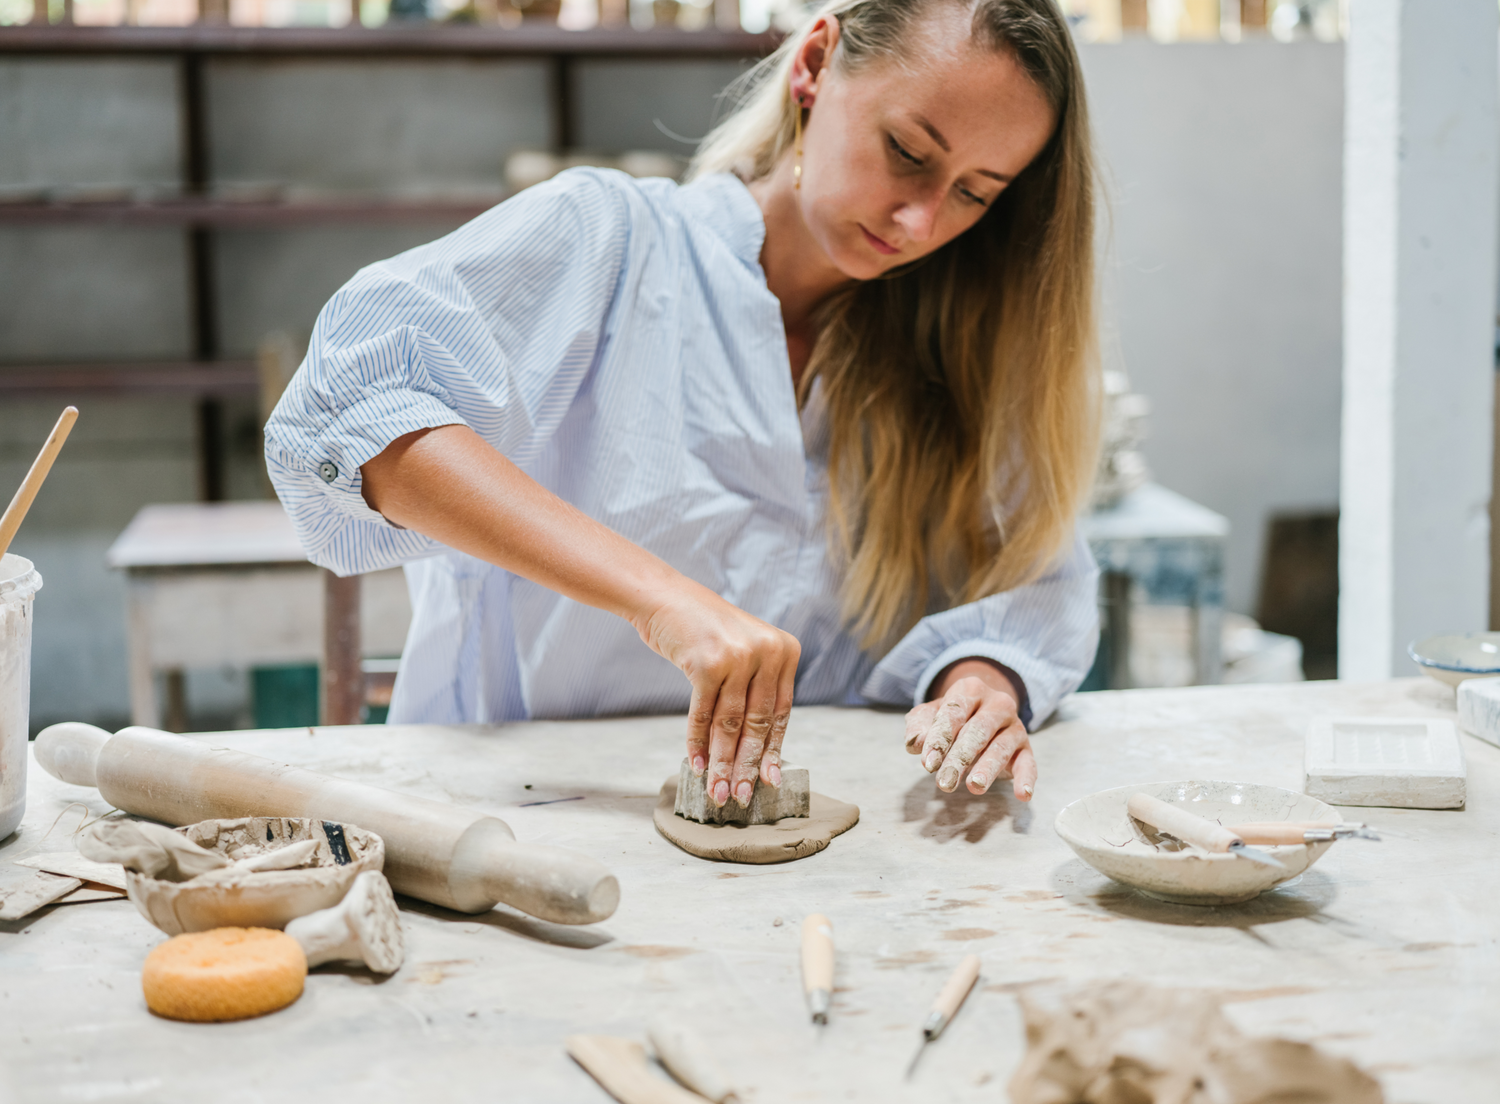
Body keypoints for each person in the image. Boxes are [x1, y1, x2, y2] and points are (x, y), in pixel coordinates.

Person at [265, 0, 1100, 815]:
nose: (920, 220)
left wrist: (982, 684)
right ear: (813, 65)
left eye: (976, 194)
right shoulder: (609, 242)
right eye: (908, 151)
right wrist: (664, 603)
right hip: (524, 820)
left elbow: (1037, 585)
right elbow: (350, 411)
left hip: (819, 854)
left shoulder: (953, 352)